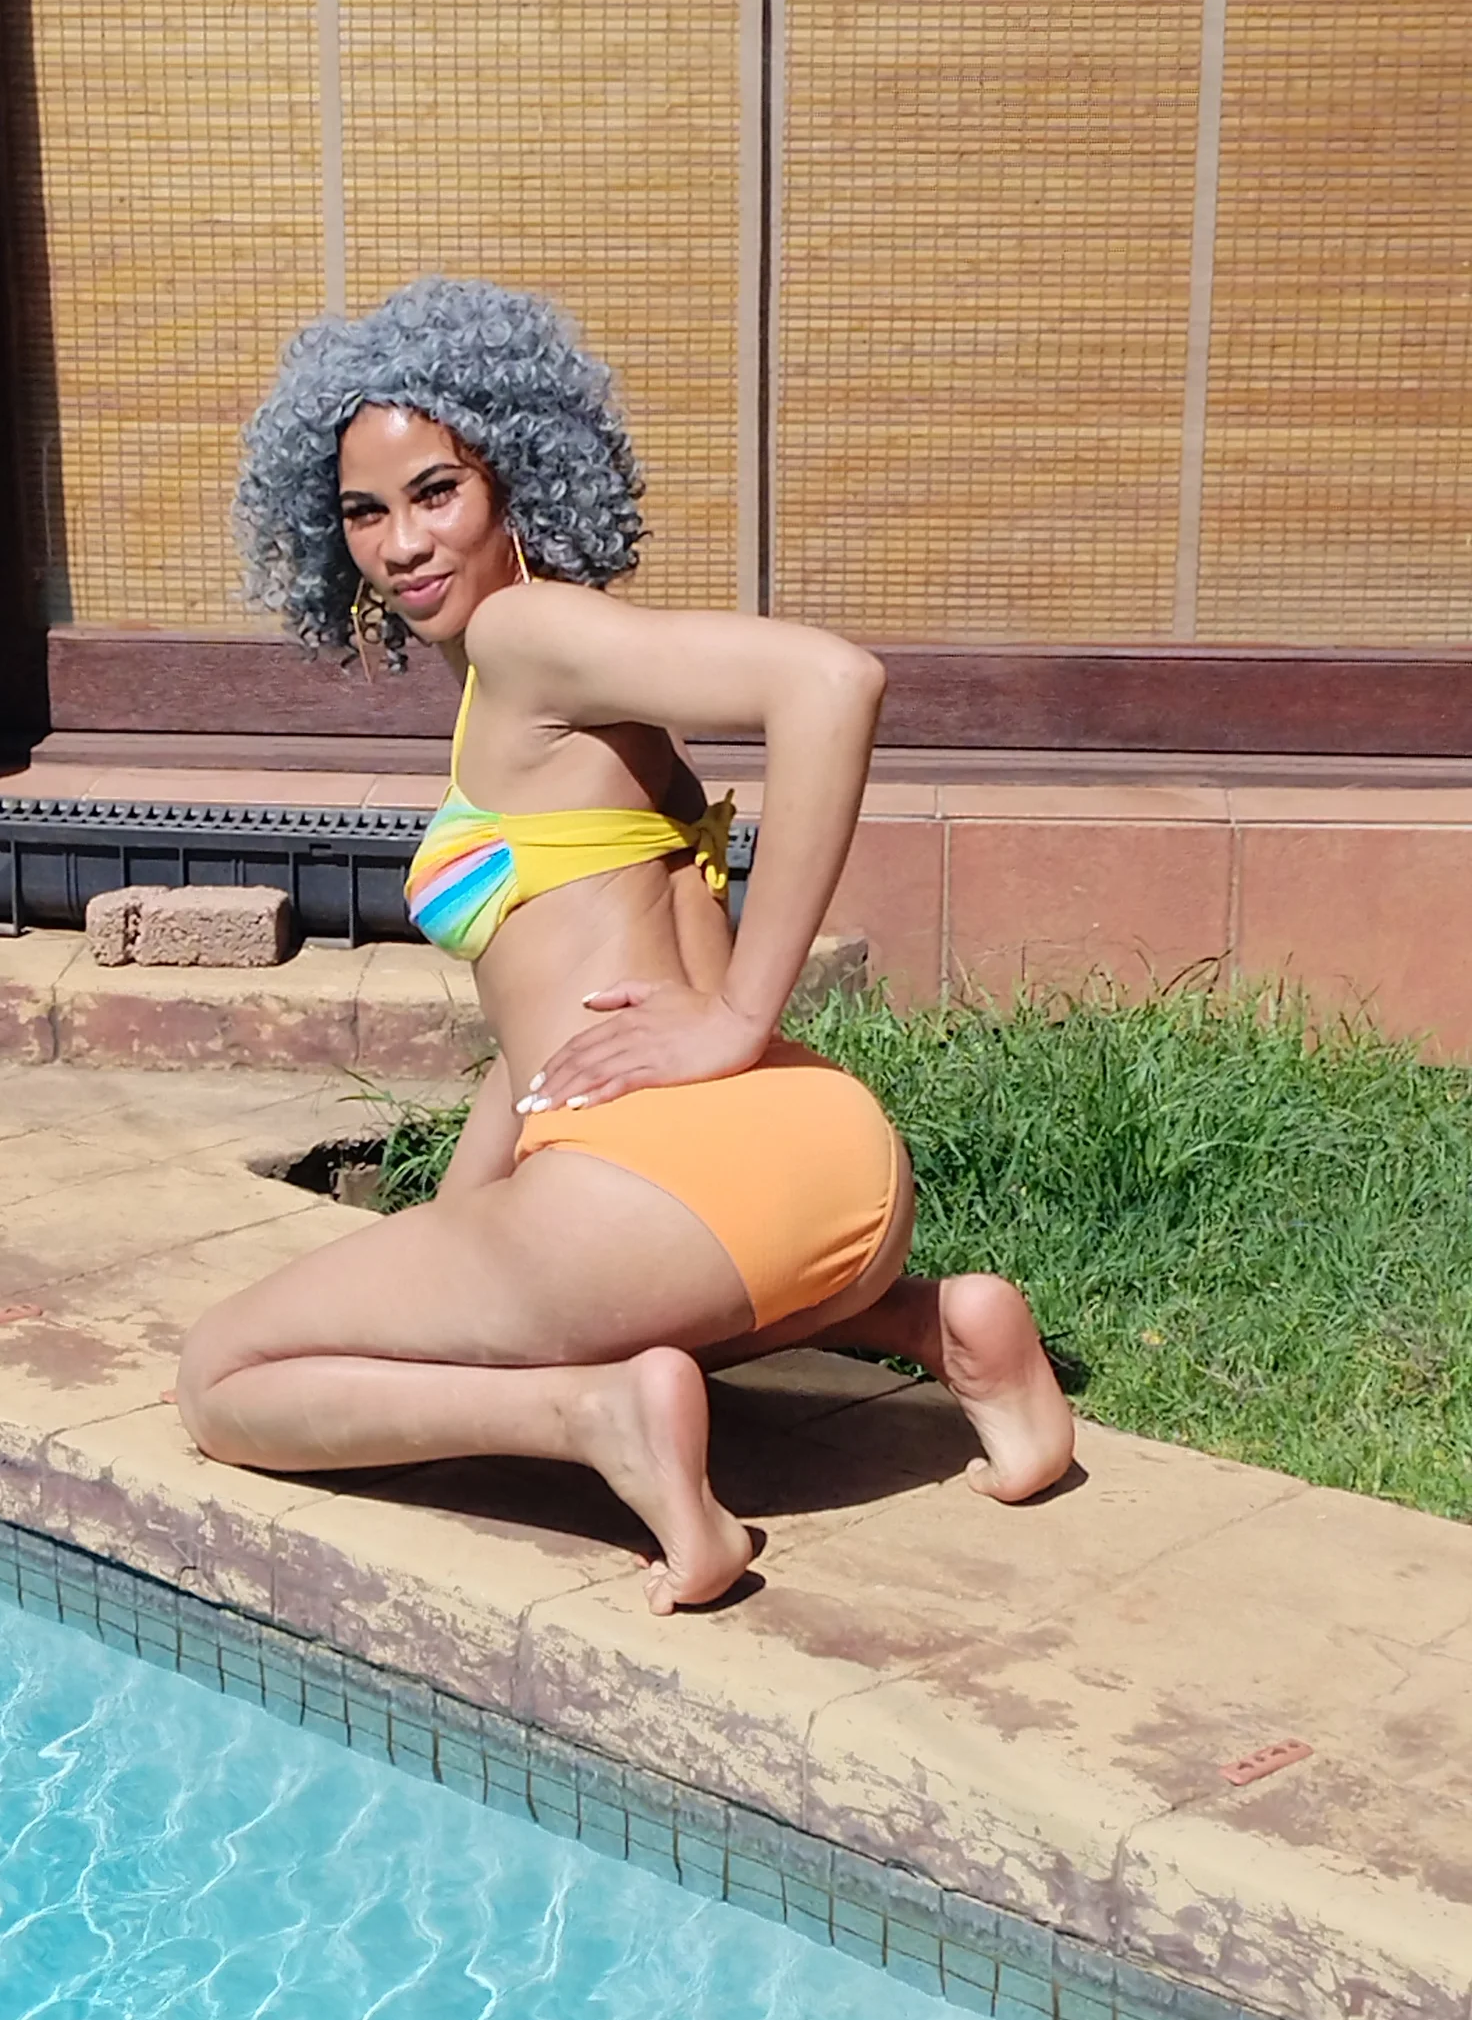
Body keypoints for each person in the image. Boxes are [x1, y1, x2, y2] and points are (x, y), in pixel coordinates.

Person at [179, 278, 1073, 1612]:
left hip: (663, 1192)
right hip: (836, 1172)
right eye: (365, 512)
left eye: (437, 493)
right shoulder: (556, 680)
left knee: (223, 1378)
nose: (403, 544)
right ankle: (941, 1326)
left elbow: (831, 682)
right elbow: (545, 1036)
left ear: (515, 476)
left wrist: (737, 1011)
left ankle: (598, 1420)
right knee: (523, 1294)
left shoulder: (526, 634)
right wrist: (458, 1222)